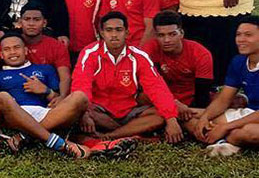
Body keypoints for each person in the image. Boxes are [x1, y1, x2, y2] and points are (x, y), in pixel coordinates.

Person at [0, 32, 94, 158]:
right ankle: (56, 142)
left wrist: (46, 91)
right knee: (3, 97)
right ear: (1, 54)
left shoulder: (45, 69)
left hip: (44, 114)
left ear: (25, 51)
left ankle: (25, 136)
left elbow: (58, 100)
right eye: (7, 49)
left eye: (16, 48)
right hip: (13, 115)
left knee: (80, 96)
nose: (12, 52)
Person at [74, 12, 183, 144]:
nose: (114, 35)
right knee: (76, 111)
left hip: (128, 111)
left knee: (160, 116)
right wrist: (83, 113)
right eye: (109, 30)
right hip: (98, 111)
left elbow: (157, 87)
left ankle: (110, 136)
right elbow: (81, 85)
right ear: (102, 33)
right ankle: (132, 134)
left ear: (127, 33)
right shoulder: (90, 53)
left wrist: (171, 119)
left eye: (119, 30)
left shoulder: (139, 56)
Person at [0, 3, 72, 120]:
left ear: (44, 23)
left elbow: (65, 76)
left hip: (44, 100)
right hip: (12, 102)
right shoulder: (11, 42)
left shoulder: (56, 46)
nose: (31, 23)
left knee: (77, 100)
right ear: (20, 22)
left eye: (36, 19)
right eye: (27, 19)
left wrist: (61, 97)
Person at [188, 16, 259, 157]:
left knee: (249, 132)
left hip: (253, 121)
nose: (241, 39)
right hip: (251, 112)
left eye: (248, 35)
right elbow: (224, 99)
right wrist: (205, 118)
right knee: (190, 115)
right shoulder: (239, 61)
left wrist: (225, 127)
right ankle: (228, 139)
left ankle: (226, 138)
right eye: (238, 35)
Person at [141, 11, 213, 112]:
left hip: (191, 103)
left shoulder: (201, 54)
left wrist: (188, 111)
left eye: (172, 34)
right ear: (155, 36)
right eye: (161, 35)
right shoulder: (149, 50)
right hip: (161, 101)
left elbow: (202, 95)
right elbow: (149, 86)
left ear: (181, 33)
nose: (166, 40)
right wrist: (173, 104)